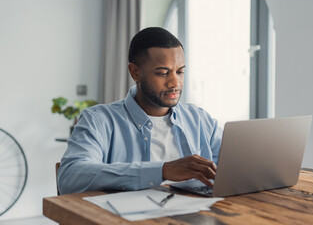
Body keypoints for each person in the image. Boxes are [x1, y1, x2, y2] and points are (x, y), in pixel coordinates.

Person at [58, 27, 223, 194]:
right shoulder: (98, 120)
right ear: (135, 73)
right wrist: (162, 170)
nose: (175, 82)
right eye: (163, 73)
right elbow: (70, 177)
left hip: (196, 214)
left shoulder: (198, 118)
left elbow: (234, 165)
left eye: (180, 72)